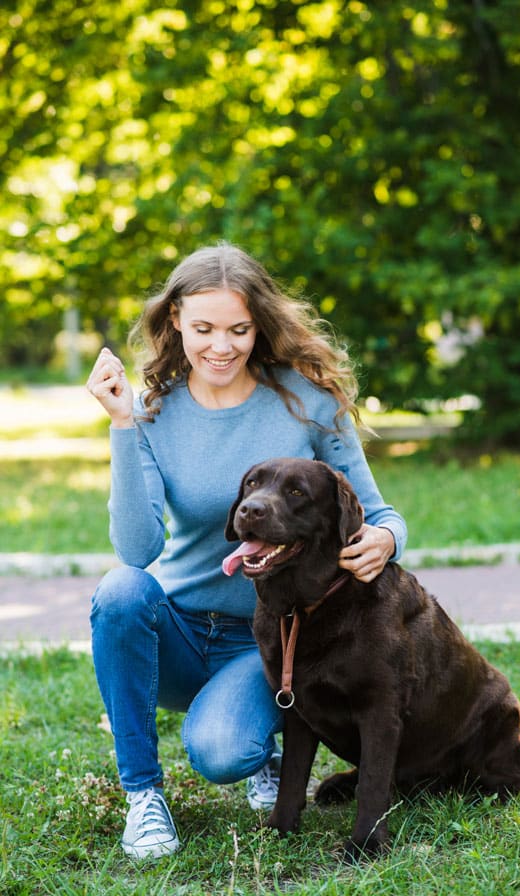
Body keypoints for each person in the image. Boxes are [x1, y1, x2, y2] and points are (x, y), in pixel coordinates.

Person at [86, 241, 407, 860]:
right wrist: (122, 424)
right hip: (177, 630)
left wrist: (387, 540)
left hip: (272, 640)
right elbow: (136, 547)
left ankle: (260, 742)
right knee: (120, 591)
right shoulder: (153, 410)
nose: (221, 346)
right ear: (175, 319)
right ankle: (144, 798)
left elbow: (380, 510)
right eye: (203, 328)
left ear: (260, 323)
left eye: (238, 328)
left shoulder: (307, 400)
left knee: (223, 754)